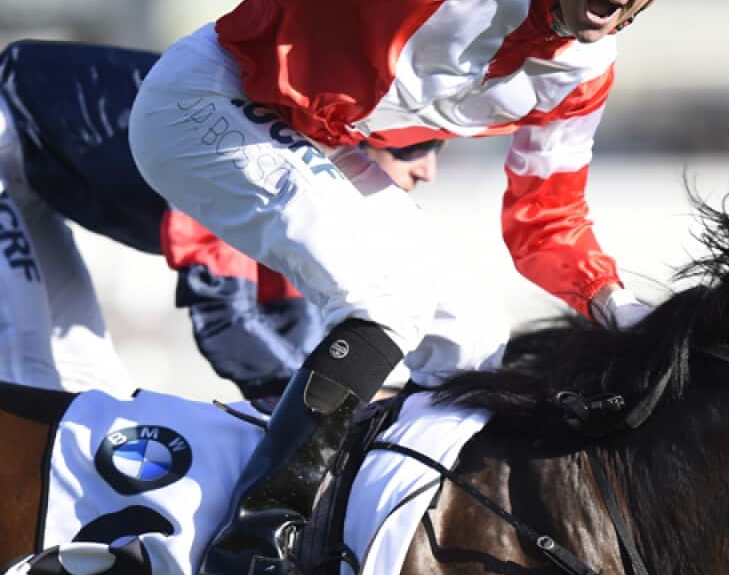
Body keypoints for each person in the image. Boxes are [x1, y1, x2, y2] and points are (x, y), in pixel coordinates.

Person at [129, 0, 701, 575]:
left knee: (476, 341)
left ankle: (380, 536)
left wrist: (623, 311)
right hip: (207, 103)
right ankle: (253, 537)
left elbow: (546, 219)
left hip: (313, 135)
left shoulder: (585, 71)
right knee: (386, 299)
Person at [0, 39, 439, 399]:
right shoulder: (252, 160)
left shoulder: (308, 189)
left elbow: (292, 323)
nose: (428, 169)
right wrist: (326, 412)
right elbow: (223, 318)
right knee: (36, 373)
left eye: (439, 149)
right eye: (415, 146)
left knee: (88, 387)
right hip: (8, 133)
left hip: (28, 164)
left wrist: (339, 396)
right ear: (359, 145)